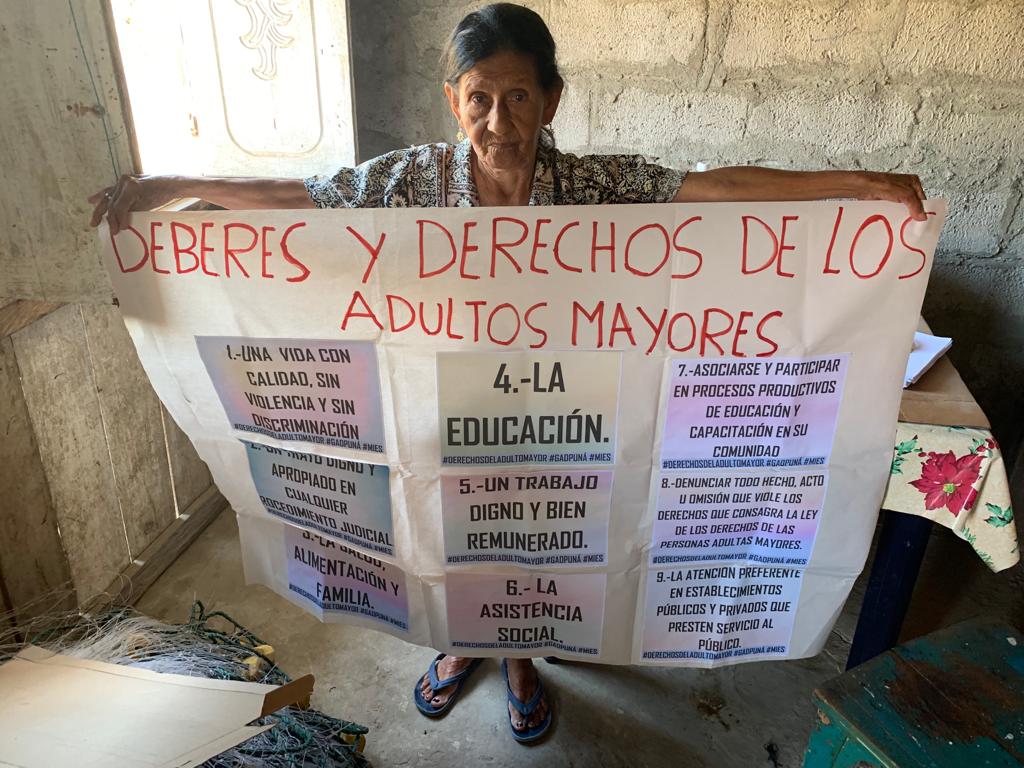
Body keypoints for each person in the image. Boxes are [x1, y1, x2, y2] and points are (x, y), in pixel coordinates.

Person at [90, 2, 927, 743]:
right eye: (479, 98)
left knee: (532, 536)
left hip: (561, 406)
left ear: (551, 101)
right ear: (453, 102)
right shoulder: (414, 180)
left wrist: (859, 186)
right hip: (448, 403)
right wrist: (172, 185)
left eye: (519, 96)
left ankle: (521, 658)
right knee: (454, 537)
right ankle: (463, 646)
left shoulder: (592, 186)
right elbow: (306, 197)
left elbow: (710, 190)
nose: (498, 121)